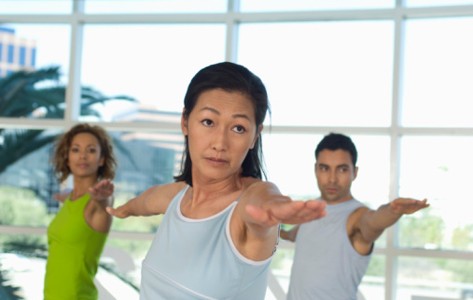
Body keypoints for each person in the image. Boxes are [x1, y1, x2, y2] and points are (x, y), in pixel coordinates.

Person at [106, 61, 327, 300]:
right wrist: (122, 210)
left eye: (239, 128)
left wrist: (276, 208)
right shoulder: (177, 196)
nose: (220, 143)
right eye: (208, 122)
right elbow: (146, 202)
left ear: (255, 136)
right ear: (185, 122)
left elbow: (264, 199)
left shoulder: (248, 206)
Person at [280, 132, 429, 300]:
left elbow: (373, 222)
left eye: (342, 169)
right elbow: (292, 234)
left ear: (355, 172)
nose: (332, 179)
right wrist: (271, 226)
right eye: (325, 168)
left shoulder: (357, 216)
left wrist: (393, 211)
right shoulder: (311, 211)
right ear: (315, 169)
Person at [44, 123, 117, 300]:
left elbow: (103, 205)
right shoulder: (70, 199)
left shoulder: (97, 204)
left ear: (101, 159)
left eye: (91, 150)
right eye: (75, 150)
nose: (83, 156)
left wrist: (102, 198)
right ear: (67, 157)